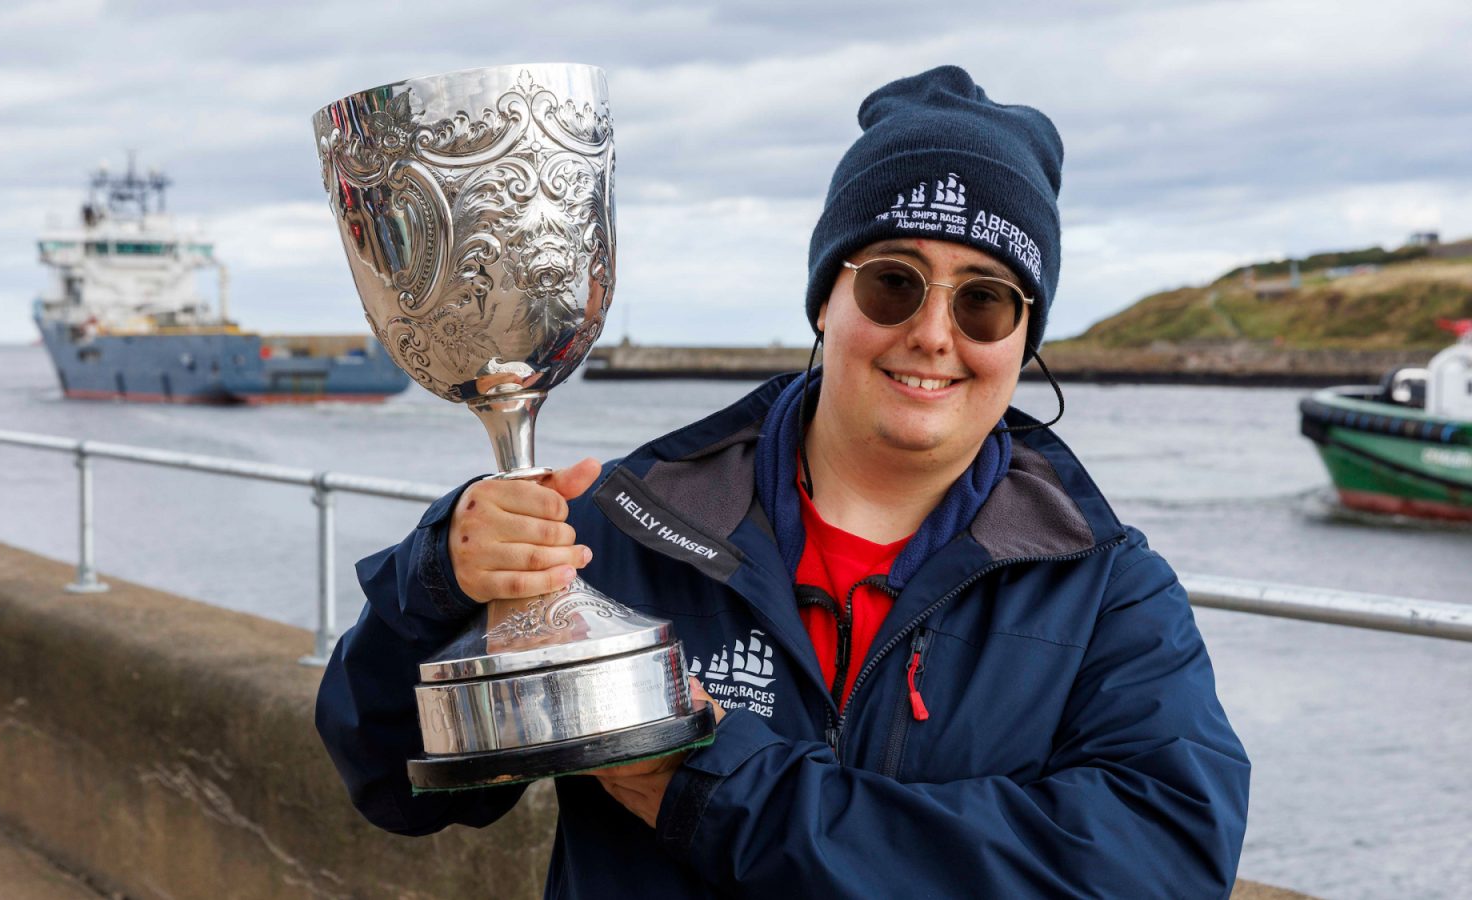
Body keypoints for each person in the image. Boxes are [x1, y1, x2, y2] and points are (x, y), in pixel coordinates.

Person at [316, 65, 1250, 898]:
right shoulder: (629, 525)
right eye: (893, 282)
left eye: (985, 300)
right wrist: (436, 579)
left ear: (1022, 341)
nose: (933, 334)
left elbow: (1155, 867)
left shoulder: (1108, 593)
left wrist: (713, 789)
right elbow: (395, 784)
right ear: (827, 301)